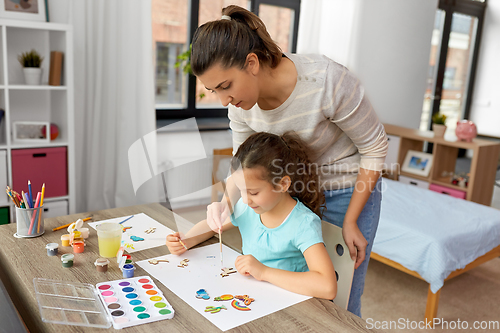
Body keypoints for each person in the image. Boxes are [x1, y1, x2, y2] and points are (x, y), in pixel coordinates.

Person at [190, 5, 388, 317]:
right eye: (213, 90)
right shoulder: (240, 106)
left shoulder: (326, 81)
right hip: (289, 189)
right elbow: (241, 163)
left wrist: (350, 220)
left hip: (346, 189)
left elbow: (375, 147)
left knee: (340, 302)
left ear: (252, 63)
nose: (223, 100)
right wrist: (224, 202)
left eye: (225, 86)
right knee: (294, 294)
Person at [166, 132, 337, 300]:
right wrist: (187, 240)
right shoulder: (248, 208)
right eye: (241, 190)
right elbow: (213, 226)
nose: (246, 199)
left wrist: (264, 272)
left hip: (289, 304)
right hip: (253, 298)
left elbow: (327, 286)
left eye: (253, 192)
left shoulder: (303, 223)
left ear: (283, 184)